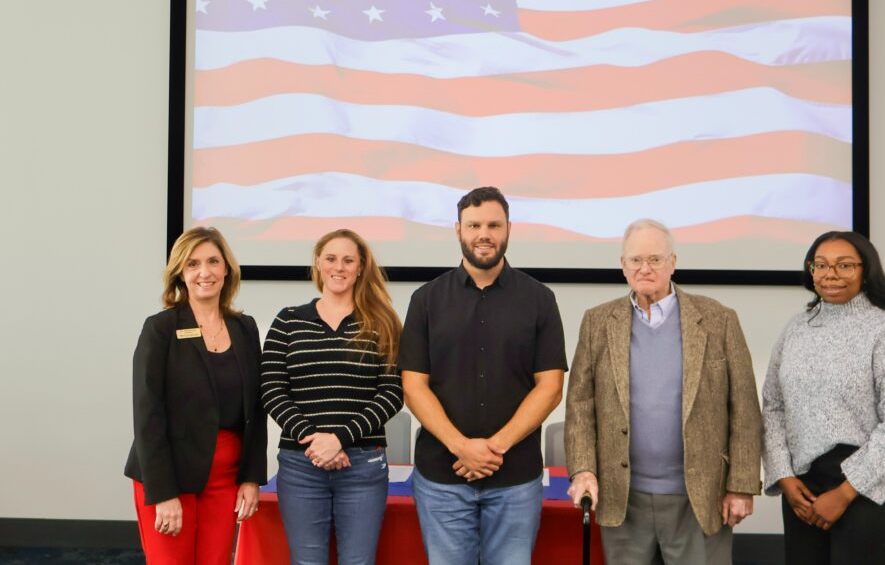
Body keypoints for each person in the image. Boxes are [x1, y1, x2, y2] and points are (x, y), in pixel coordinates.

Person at [565, 218, 762, 565]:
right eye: (636, 260)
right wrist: (583, 470)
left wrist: (742, 485)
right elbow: (581, 405)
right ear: (622, 266)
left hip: (700, 498)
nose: (645, 268)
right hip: (623, 497)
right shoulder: (597, 322)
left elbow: (744, 409)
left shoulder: (719, 319)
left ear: (673, 262)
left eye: (655, 259)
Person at [399, 186, 567, 565]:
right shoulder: (425, 300)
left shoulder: (540, 299)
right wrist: (461, 447)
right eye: (474, 225)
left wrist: (494, 449)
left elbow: (551, 386)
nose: (484, 234)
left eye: (493, 224)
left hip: (515, 480)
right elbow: (413, 386)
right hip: (442, 479)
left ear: (509, 229)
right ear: (458, 229)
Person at [761, 231, 885, 565]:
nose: (830, 274)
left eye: (844, 265)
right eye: (820, 265)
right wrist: (784, 476)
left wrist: (845, 492)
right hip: (802, 489)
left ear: (865, 270)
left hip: (867, 487)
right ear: (810, 271)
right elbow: (773, 406)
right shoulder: (796, 329)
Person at [124, 227, 266, 565]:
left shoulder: (245, 328)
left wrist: (251, 477)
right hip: (170, 473)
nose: (205, 272)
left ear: (227, 269)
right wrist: (164, 493)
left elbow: (256, 408)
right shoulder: (161, 329)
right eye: (193, 264)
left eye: (213, 261)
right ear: (180, 274)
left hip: (226, 476)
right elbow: (148, 415)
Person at [261, 228, 404, 564]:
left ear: (360, 267)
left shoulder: (383, 323)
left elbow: (392, 393)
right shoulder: (288, 321)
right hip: (301, 465)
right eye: (331, 258)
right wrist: (315, 441)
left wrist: (338, 439)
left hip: (363, 466)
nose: (339, 267)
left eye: (348, 260)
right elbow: (271, 389)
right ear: (318, 264)